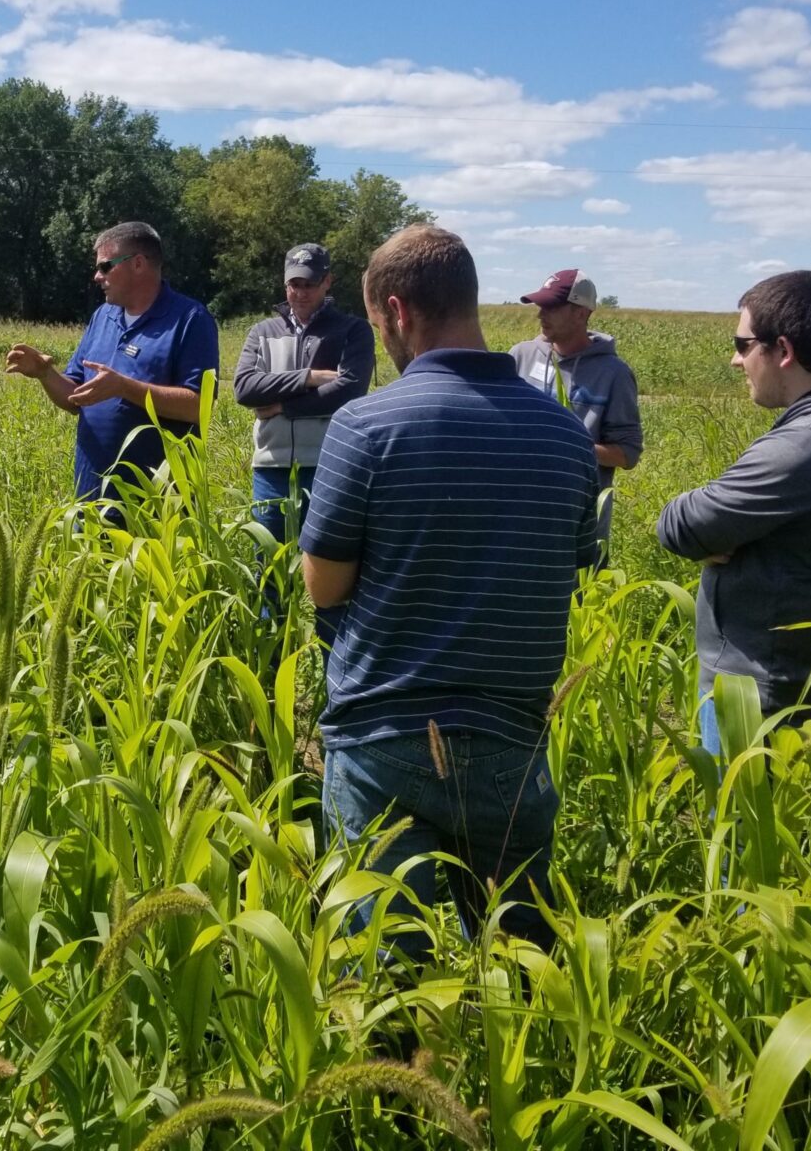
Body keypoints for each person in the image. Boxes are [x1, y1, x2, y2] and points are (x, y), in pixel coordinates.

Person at [301, 225, 600, 952]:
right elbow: (567, 567)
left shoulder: (366, 426)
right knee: (524, 958)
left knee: (383, 972)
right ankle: (533, 1064)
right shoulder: (567, 437)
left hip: (383, 734)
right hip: (513, 736)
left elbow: (323, 586)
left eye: (379, 325)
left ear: (398, 311)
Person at [657, 271, 811, 756]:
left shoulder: (808, 445)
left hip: (761, 698)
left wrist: (719, 533)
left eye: (743, 343)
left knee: (738, 830)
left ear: (784, 351)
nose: (735, 359)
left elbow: (680, 526)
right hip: (799, 686)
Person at [5, 221, 220, 502]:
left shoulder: (190, 319)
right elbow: (76, 397)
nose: (97, 276)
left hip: (158, 508)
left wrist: (123, 388)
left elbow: (197, 407)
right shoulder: (102, 316)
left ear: (138, 263)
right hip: (92, 497)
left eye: (105, 266)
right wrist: (46, 374)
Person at [232, 242, 376, 640]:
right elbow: (244, 388)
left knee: (333, 574)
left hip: (331, 467)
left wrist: (280, 407)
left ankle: (334, 665)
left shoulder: (351, 330)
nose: (300, 292)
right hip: (271, 470)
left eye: (309, 283)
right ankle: (271, 664)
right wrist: (310, 378)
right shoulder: (261, 332)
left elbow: (349, 388)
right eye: (293, 283)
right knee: (271, 572)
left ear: (327, 281)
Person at [509, 268, 643, 550]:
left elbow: (628, 453)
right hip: (516, 515)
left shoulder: (613, 374)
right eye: (540, 305)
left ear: (581, 313)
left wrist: (567, 445)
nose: (540, 314)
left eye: (552, 307)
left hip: (577, 528)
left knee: (577, 593)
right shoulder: (520, 356)